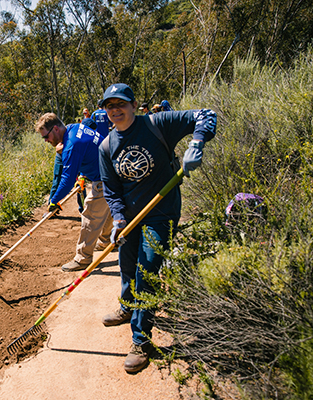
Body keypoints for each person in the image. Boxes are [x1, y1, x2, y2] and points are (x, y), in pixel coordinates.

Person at [98, 83, 216, 373]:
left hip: (161, 212)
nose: (116, 110)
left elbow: (207, 115)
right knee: (127, 264)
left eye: (121, 104)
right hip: (130, 216)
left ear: (134, 105)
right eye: (110, 106)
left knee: (146, 271)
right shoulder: (106, 146)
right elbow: (112, 191)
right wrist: (118, 220)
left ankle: (141, 341)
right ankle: (128, 306)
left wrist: (196, 143)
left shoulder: (157, 123)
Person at [36, 113, 113, 272]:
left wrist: (54, 200)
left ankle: (82, 259)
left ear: (55, 129)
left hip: (106, 178)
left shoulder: (71, 144)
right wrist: (84, 175)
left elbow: (67, 178)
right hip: (112, 170)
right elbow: (89, 151)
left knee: (90, 214)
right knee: (108, 208)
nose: (46, 140)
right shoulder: (75, 128)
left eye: (46, 136)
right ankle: (106, 240)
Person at [47, 118, 97, 215]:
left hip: (76, 156)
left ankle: (82, 208)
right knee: (58, 180)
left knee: (80, 184)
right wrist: (55, 199)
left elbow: (84, 161)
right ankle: (52, 206)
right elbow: (67, 178)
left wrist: (82, 176)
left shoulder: (81, 138)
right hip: (63, 155)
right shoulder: (71, 139)